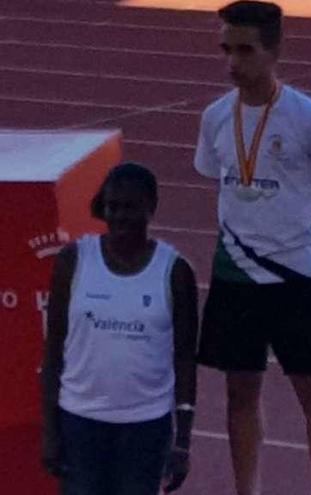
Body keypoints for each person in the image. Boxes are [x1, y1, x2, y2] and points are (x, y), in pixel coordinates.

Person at [193, 2, 311, 494]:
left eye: (245, 50)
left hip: (296, 278)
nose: (233, 62)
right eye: (226, 49)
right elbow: (217, 181)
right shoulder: (216, 117)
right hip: (235, 273)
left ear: (274, 51)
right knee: (239, 390)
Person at [40, 162, 198, 495]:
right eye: (112, 207)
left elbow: (185, 360)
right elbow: (54, 348)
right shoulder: (74, 262)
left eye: (130, 207)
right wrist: (51, 431)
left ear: (150, 209)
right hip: (80, 423)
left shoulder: (175, 272)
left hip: (145, 429)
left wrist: (182, 441)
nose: (120, 216)